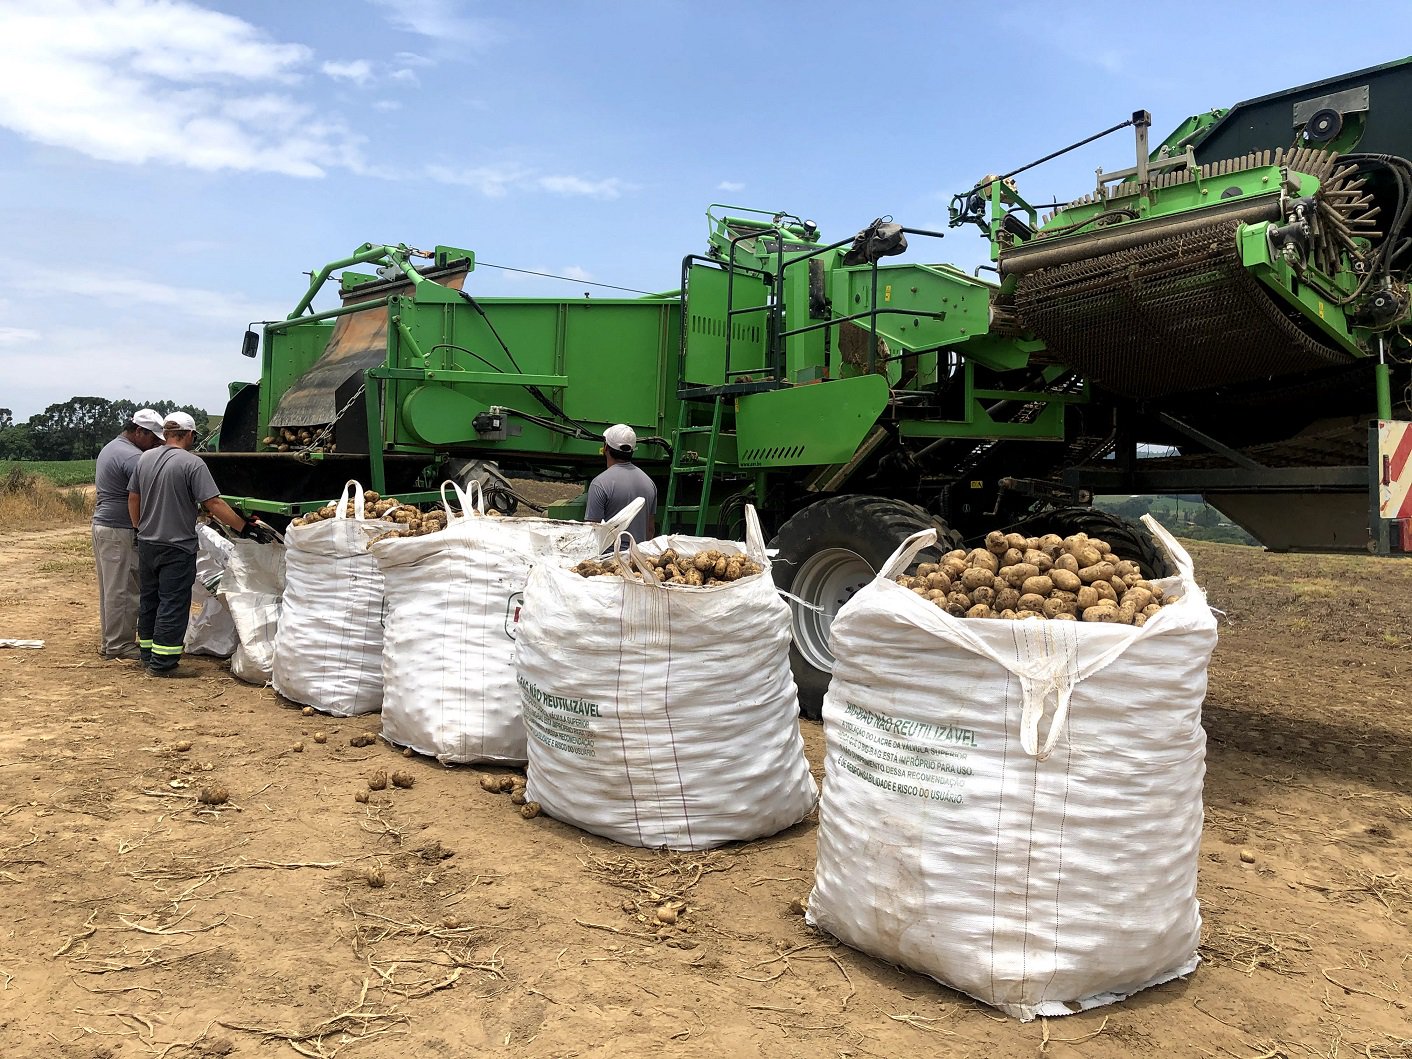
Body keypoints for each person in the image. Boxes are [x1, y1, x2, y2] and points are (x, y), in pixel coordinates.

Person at [127, 412, 263, 676]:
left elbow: (133, 497)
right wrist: (244, 528)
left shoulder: (144, 459)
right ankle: (163, 664)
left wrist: (137, 528)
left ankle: (147, 654)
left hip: (147, 542)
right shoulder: (192, 463)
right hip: (176, 546)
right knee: (173, 602)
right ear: (189, 434)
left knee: (150, 599)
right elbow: (214, 503)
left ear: (166, 434)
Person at [92, 408, 167, 659]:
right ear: (138, 432)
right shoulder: (131, 457)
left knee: (112, 588)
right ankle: (119, 645)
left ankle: (110, 642)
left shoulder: (113, 447)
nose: (155, 446)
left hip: (107, 527)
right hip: (119, 529)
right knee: (123, 589)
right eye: (154, 440)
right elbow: (153, 488)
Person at [585, 423, 657, 543]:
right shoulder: (649, 483)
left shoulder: (600, 483)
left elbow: (592, 532)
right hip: (637, 557)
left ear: (606, 448)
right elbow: (650, 530)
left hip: (609, 559)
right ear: (632, 450)